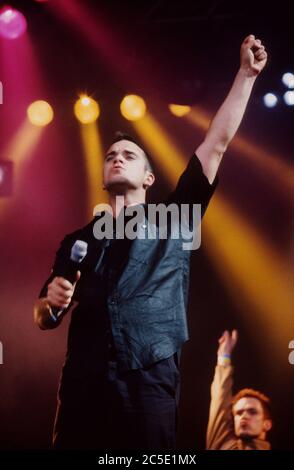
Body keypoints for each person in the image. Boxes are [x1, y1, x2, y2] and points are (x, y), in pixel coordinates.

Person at [34, 35, 267, 450]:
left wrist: (246, 76)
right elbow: (43, 317)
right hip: (82, 378)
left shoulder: (175, 220)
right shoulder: (77, 240)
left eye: (128, 154)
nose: (117, 157)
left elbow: (216, 144)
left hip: (147, 375)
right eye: (110, 156)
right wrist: (50, 302)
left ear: (148, 178)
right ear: (103, 176)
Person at [206, 330, 272, 450]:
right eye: (238, 413)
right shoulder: (222, 445)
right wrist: (224, 356)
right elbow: (220, 398)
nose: (244, 416)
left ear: (267, 424)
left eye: (252, 412)